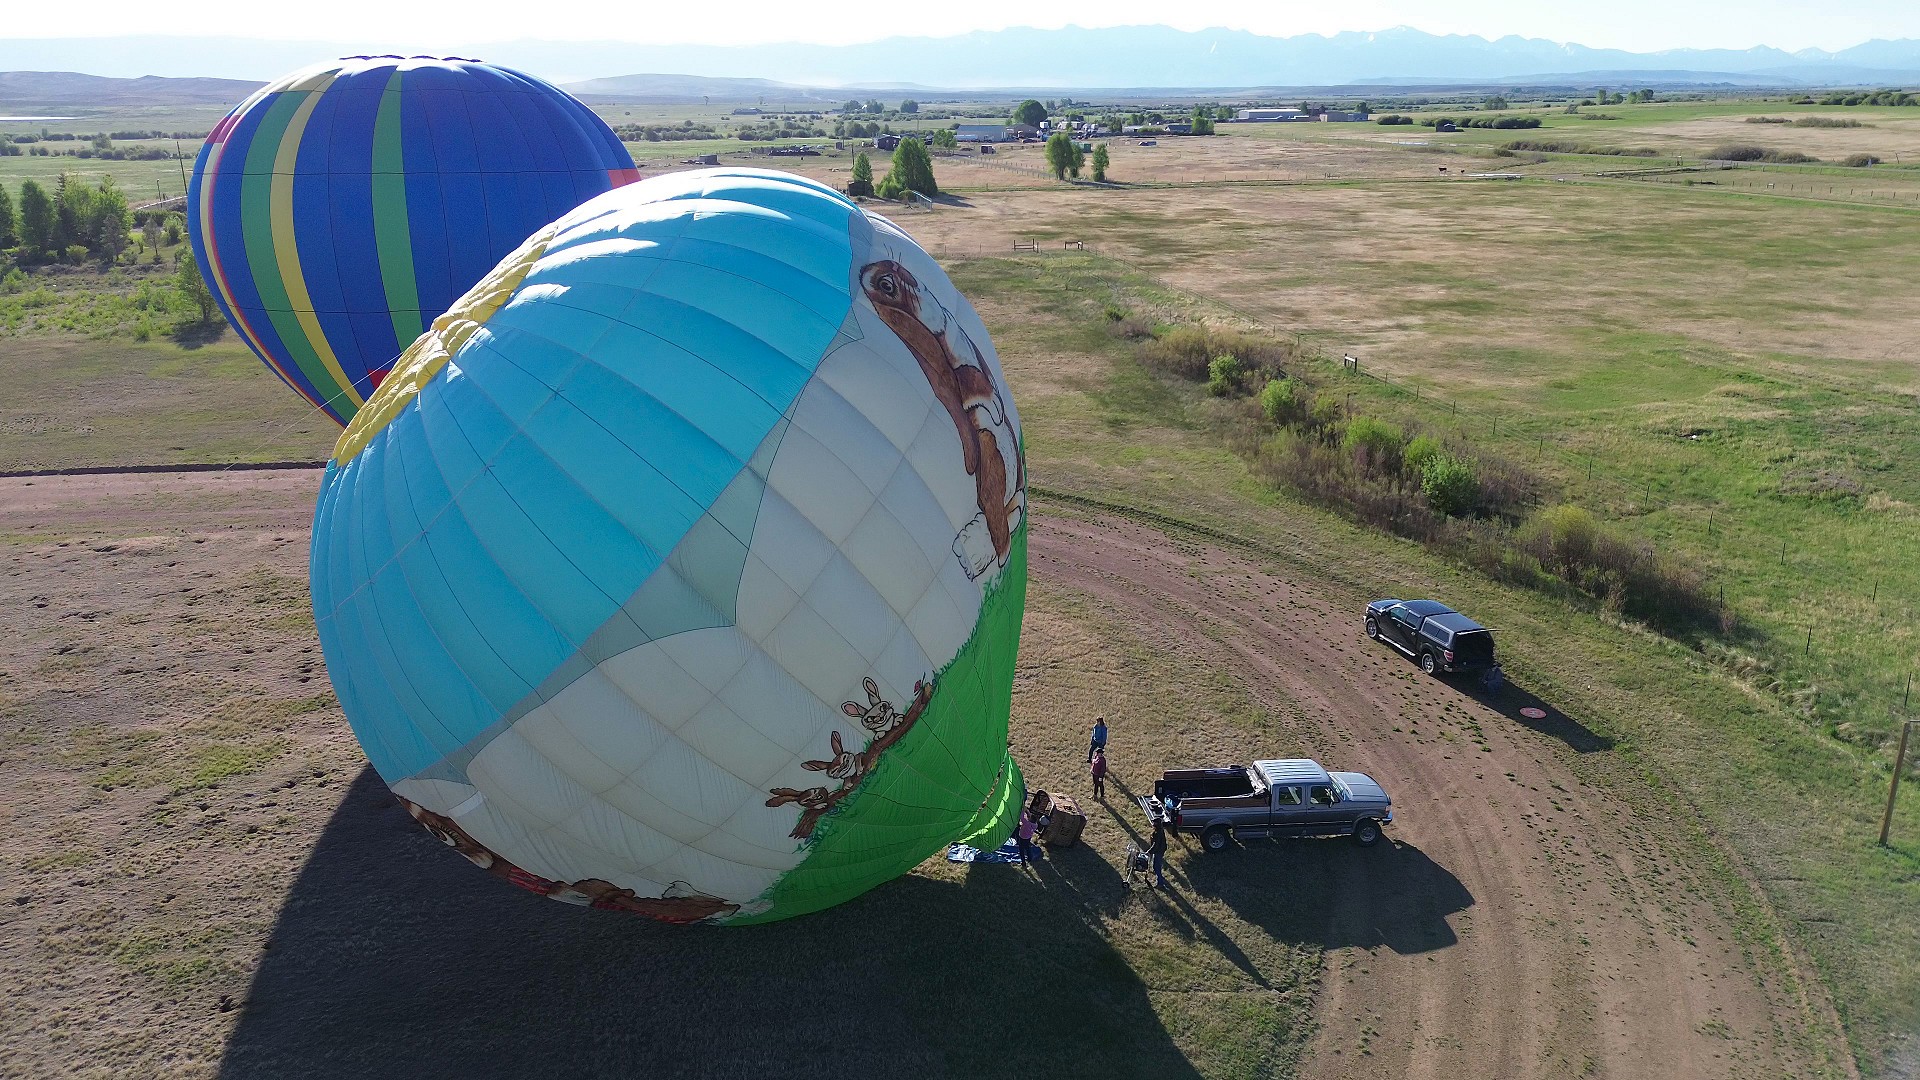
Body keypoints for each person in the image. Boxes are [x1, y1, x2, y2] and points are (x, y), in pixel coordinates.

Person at [1146, 813, 1168, 888]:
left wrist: (1149, 851)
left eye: (1154, 822)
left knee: (1156, 866)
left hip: (1159, 851)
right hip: (1160, 850)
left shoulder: (1158, 833)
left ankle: (1160, 883)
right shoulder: (1159, 830)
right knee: (1156, 866)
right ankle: (1161, 878)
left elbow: (1156, 845)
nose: (1153, 824)